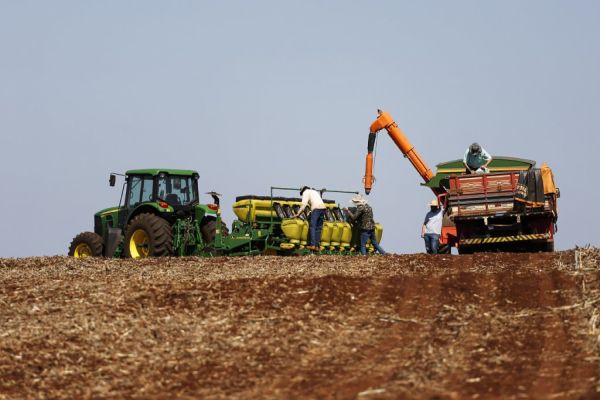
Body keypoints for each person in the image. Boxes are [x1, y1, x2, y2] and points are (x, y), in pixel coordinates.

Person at [293, 186, 327, 251]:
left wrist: (298, 214)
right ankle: (317, 246)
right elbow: (316, 202)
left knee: (312, 226)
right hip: (323, 208)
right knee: (318, 227)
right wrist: (311, 212)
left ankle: (312, 245)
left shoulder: (305, 192)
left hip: (316, 209)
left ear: (303, 191)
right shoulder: (314, 191)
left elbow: (303, 205)